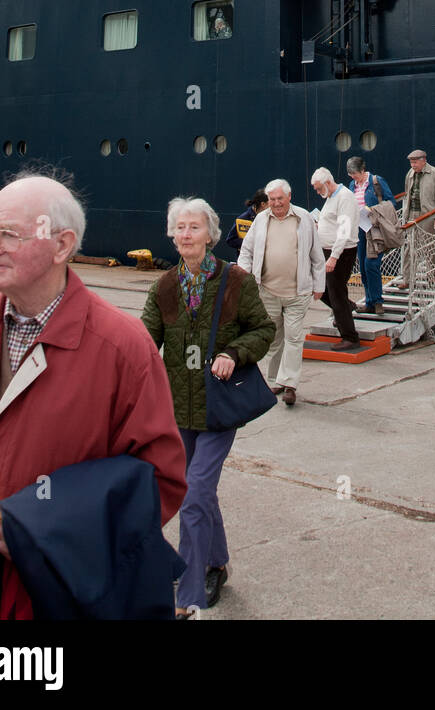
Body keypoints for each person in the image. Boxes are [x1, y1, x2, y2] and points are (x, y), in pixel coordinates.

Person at [0, 171, 187, 620]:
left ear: (62, 245)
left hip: (54, 596)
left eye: (8, 235)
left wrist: (44, 529)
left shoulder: (122, 349)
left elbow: (159, 482)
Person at [142, 196, 274, 615]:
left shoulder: (235, 281)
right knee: (198, 492)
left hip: (218, 410)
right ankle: (216, 563)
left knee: (195, 493)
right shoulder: (163, 286)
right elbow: (142, 344)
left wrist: (234, 353)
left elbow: (263, 329)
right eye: (179, 227)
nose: (185, 234)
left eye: (193, 227)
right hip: (177, 409)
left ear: (210, 235)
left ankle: (189, 594)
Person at [238, 179, 325, 406]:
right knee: (274, 338)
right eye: (272, 199)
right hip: (267, 290)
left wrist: (319, 285)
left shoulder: (304, 217)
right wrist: (244, 277)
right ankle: (275, 379)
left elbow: (316, 255)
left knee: (294, 338)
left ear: (289, 196)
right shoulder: (260, 219)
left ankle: (290, 384)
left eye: (280, 199)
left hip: (298, 292)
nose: (276, 203)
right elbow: (246, 251)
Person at [311, 167, 361, 350]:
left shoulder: (345, 197)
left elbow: (344, 232)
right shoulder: (331, 197)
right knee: (319, 288)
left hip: (341, 253)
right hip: (328, 250)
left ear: (327, 182)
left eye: (318, 188)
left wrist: (333, 257)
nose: (317, 192)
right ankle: (347, 308)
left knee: (336, 292)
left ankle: (350, 337)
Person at [346, 156, 396, 317]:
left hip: (374, 228)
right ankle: (369, 302)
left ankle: (378, 301)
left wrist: (371, 209)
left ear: (362, 170)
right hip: (359, 229)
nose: (353, 177)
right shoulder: (352, 185)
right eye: (350, 174)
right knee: (363, 268)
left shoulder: (376, 181)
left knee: (371, 265)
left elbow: (391, 202)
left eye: (355, 174)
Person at [396, 150, 435, 290]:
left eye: (415, 162)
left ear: (424, 160)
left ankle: (432, 277)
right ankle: (408, 279)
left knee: (428, 247)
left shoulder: (434, 173)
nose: (413, 165)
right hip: (412, 215)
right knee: (409, 249)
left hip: (427, 216)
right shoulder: (410, 174)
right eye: (411, 162)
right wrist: (405, 216)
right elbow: (407, 194)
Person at [220, 190, 268, 263]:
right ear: (263, 204)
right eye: (271, 202)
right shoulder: (243, 219)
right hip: (246, 263)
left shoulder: (269, 218)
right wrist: (248, 243)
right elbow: (230, 240)